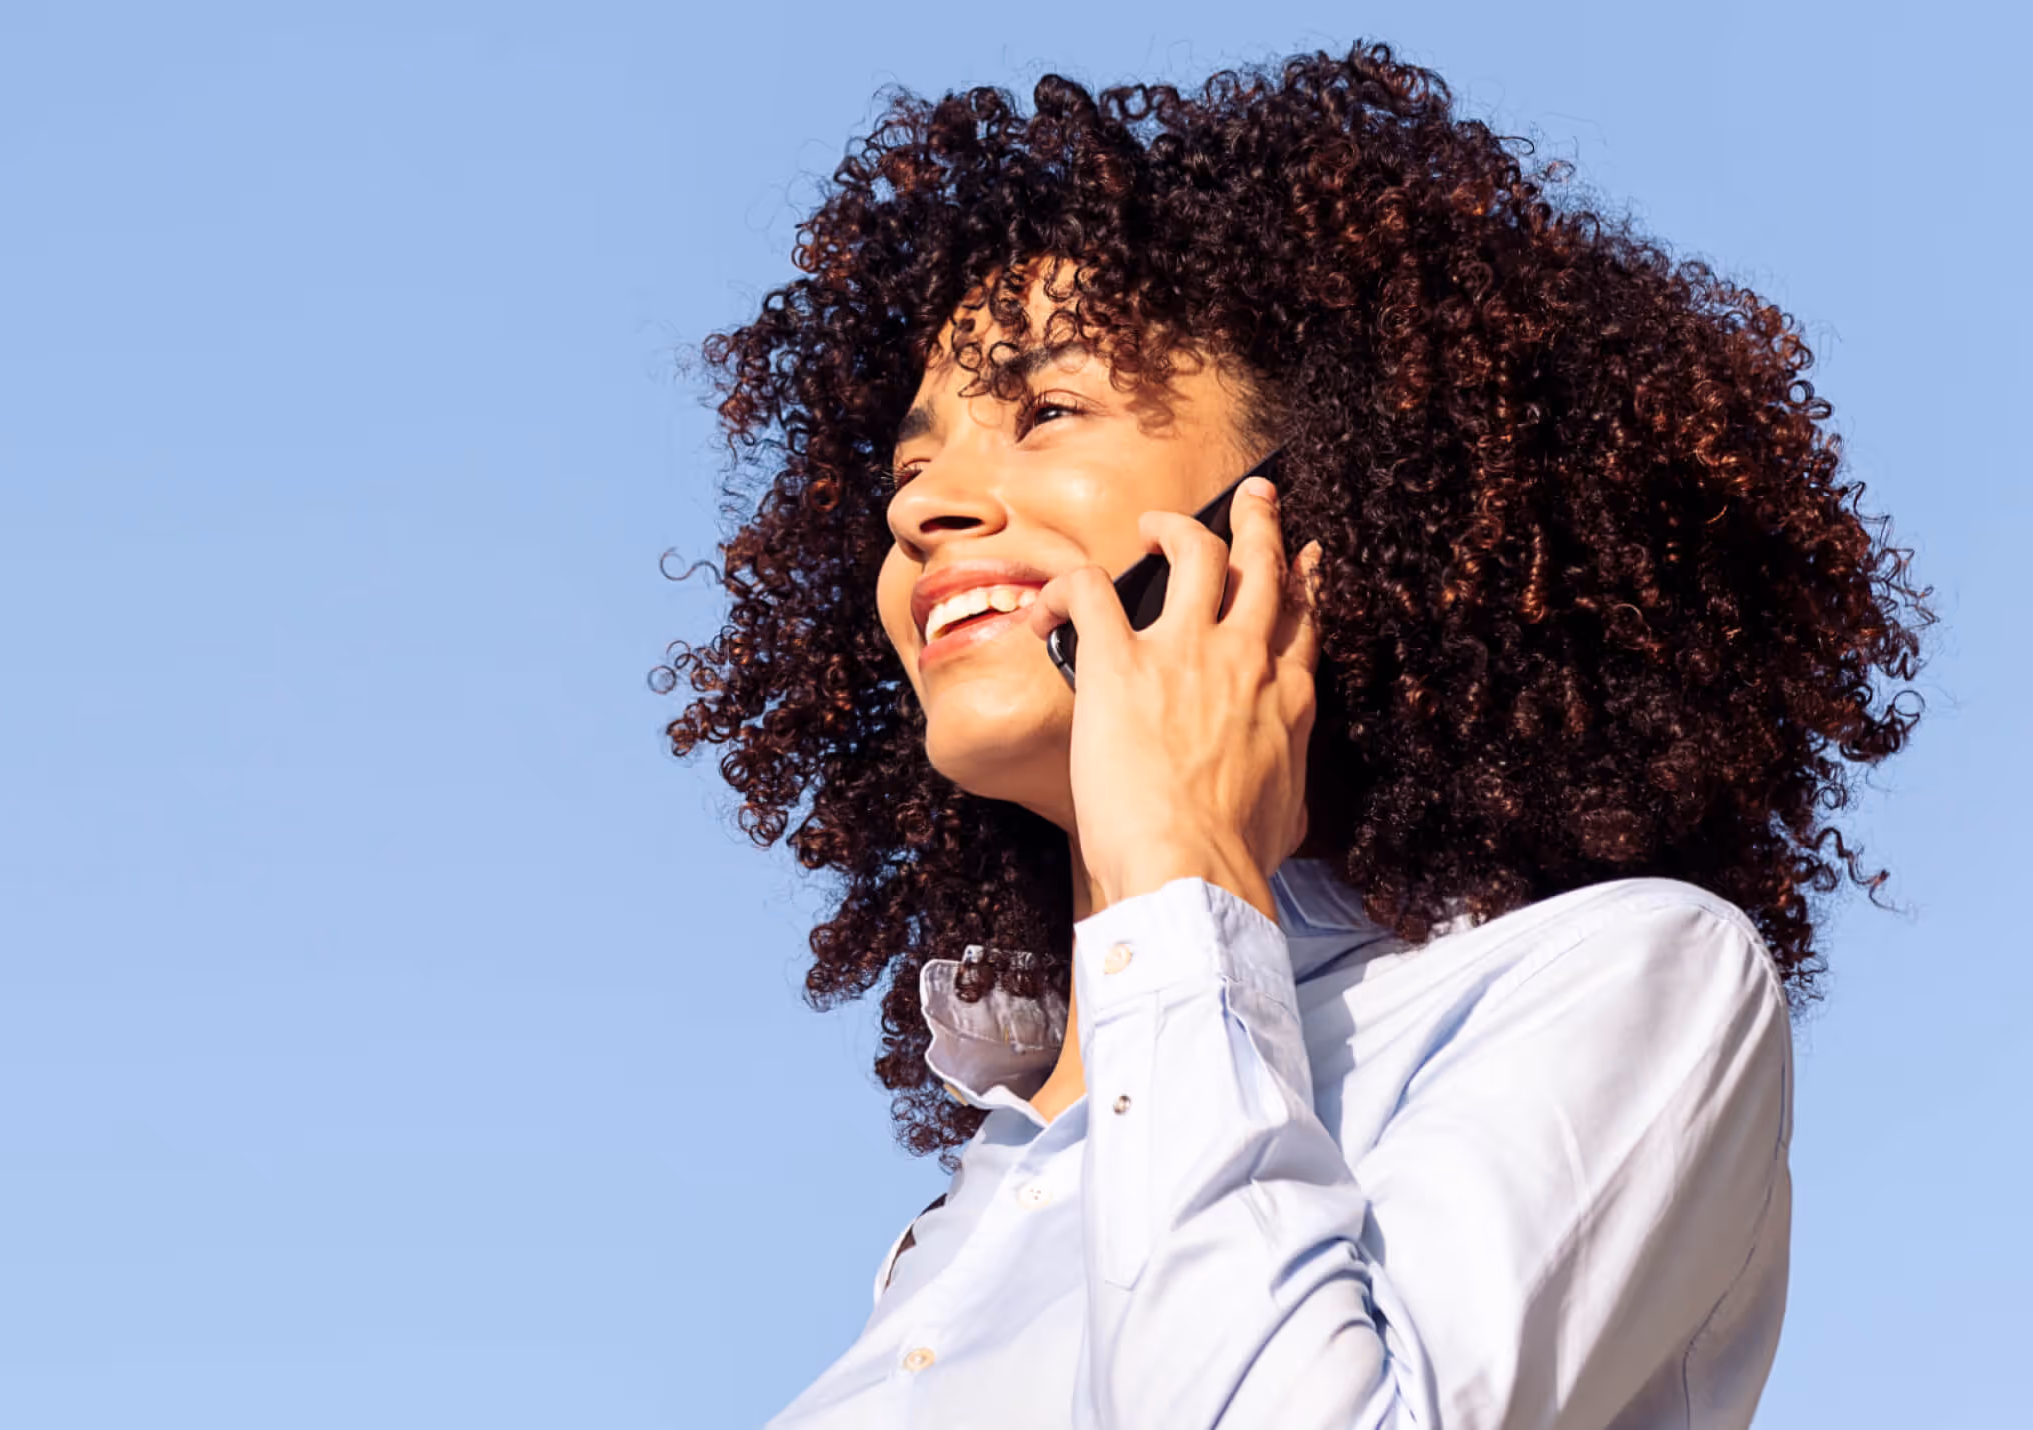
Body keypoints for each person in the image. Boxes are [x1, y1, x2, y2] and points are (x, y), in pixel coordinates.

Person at [654, 42, 1928, 1429]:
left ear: (1310, 507)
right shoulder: (955, 1224)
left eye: (1051, 411)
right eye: (910, 467)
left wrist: (1184, 873)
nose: (925, 509)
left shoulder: (1625, 981)